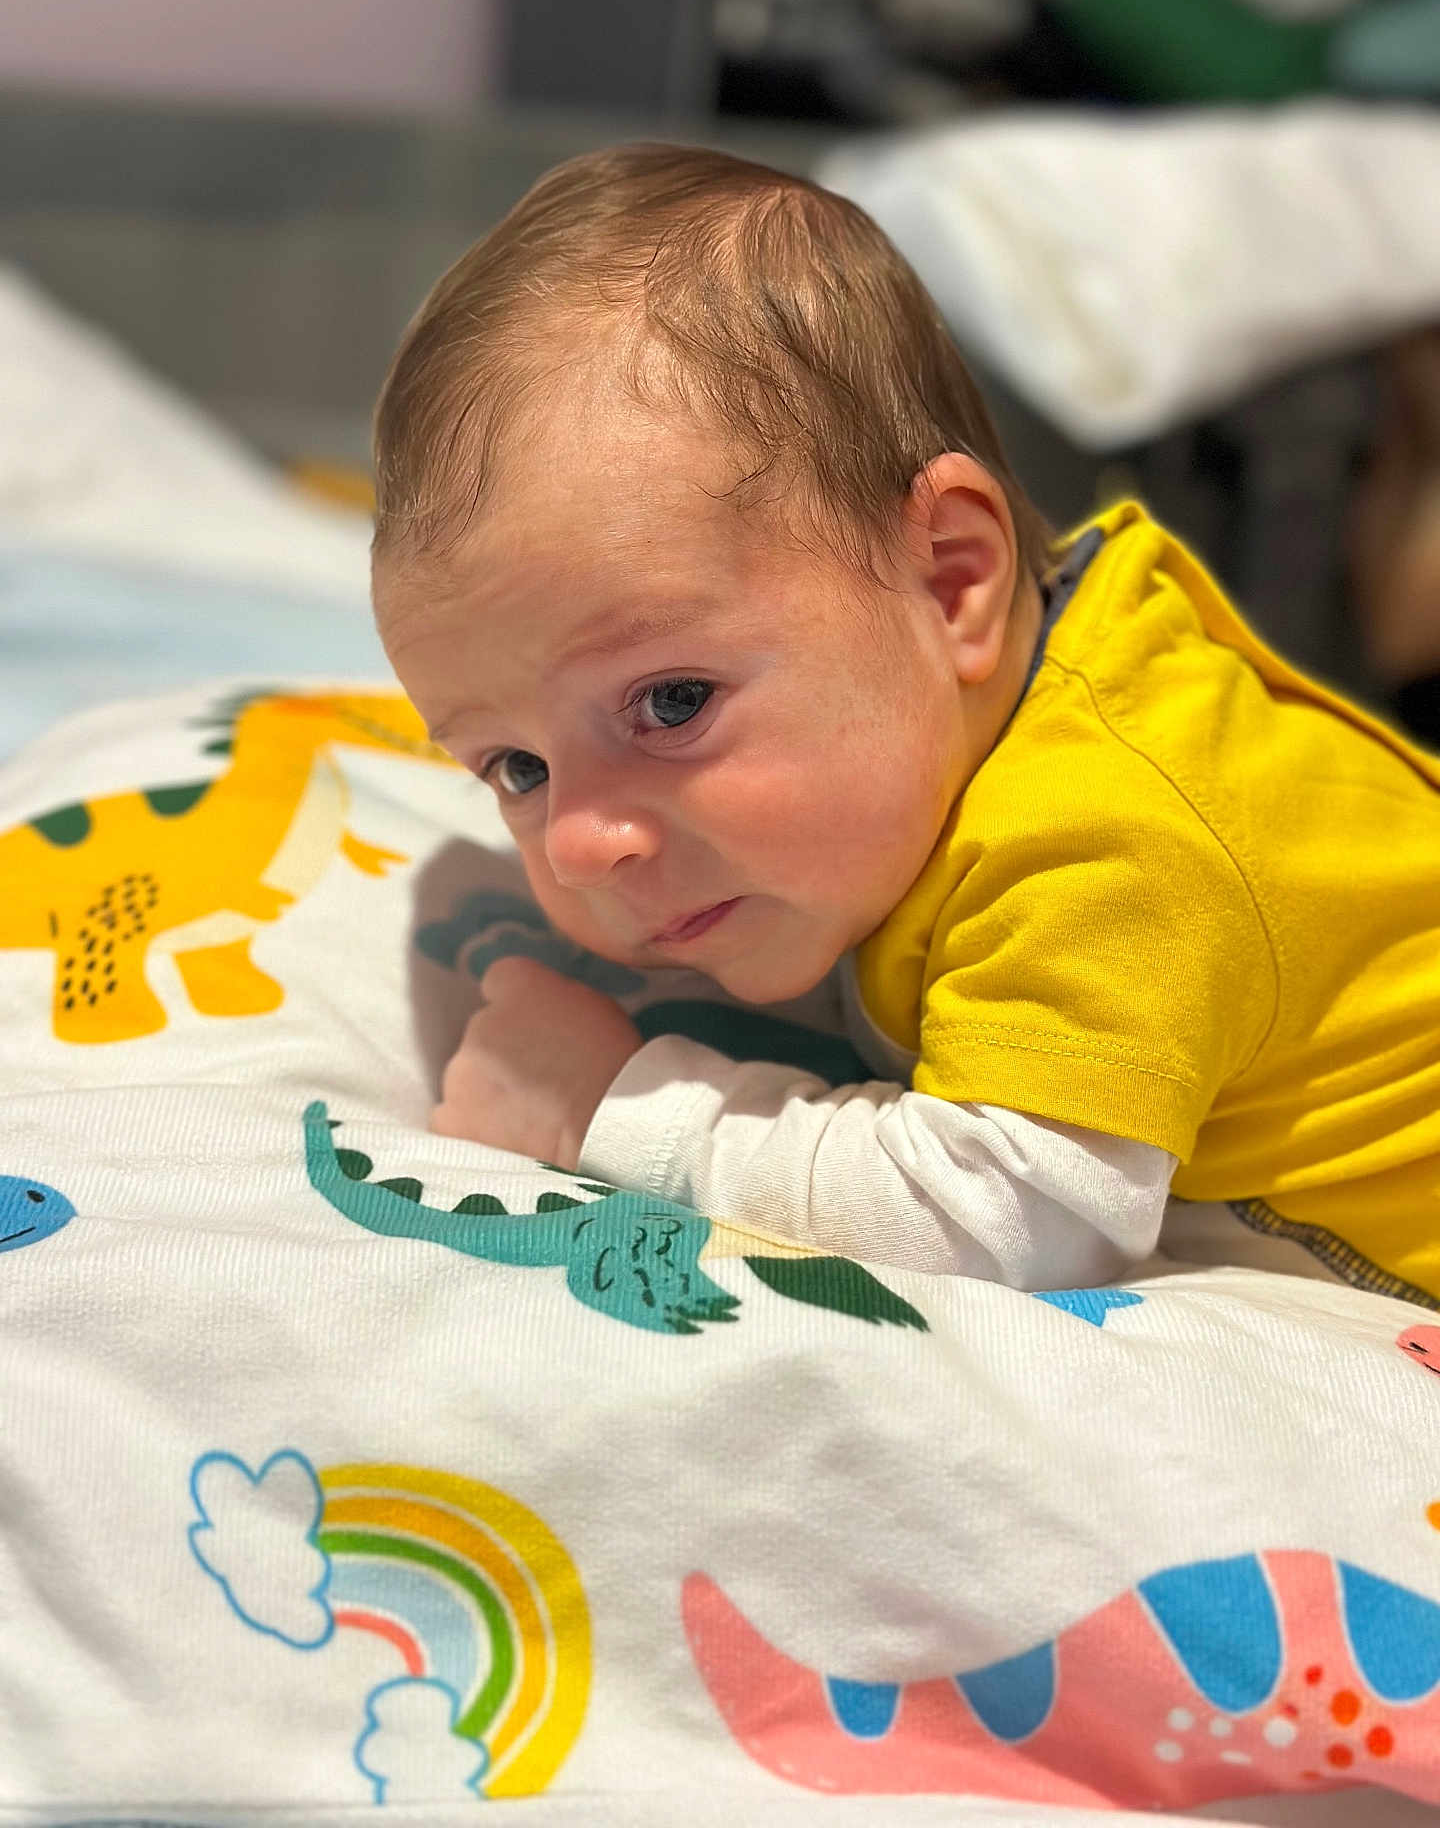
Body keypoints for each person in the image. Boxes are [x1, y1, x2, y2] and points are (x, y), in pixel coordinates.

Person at [370, 142, 1440, 1305]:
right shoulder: (937, 757)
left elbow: (1016, 1224)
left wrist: (615, 1107)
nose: (581, 843)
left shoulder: (1107, 835)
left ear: (948, 581)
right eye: (516, 766)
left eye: (671, 702)